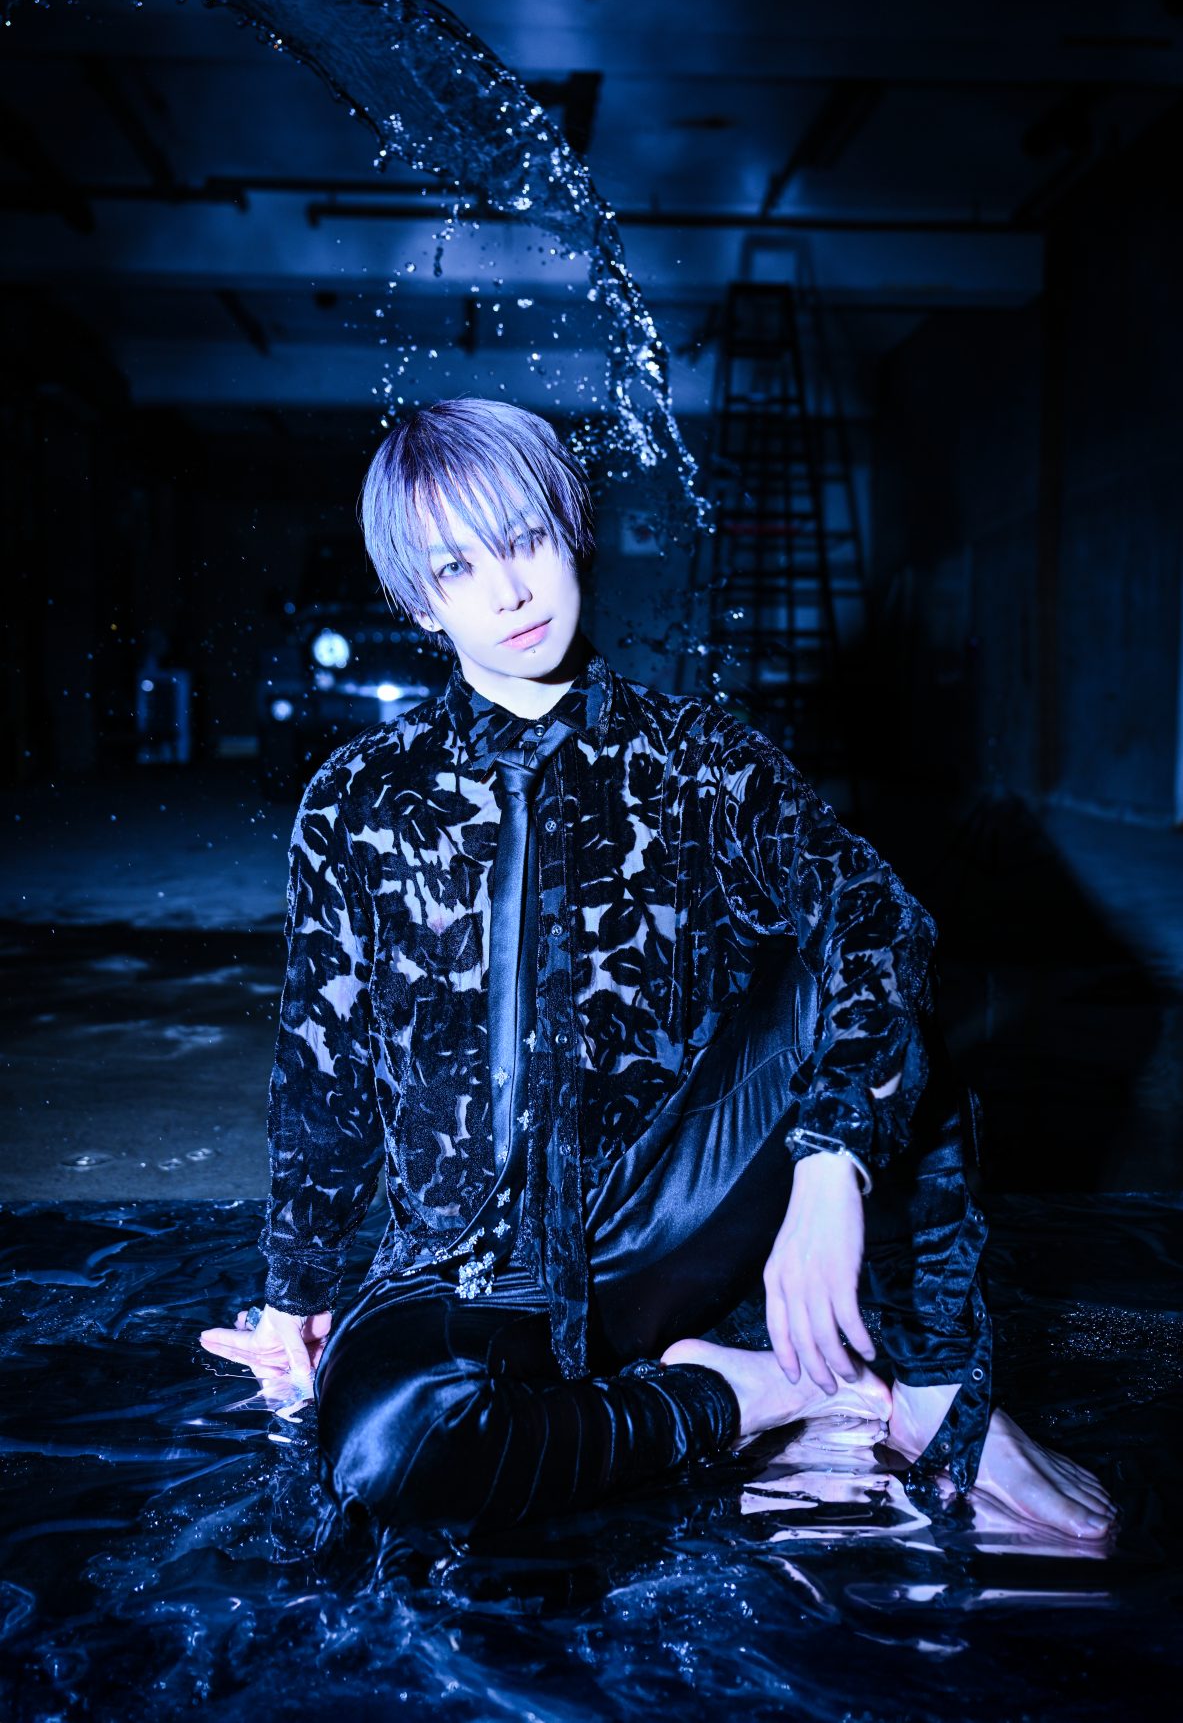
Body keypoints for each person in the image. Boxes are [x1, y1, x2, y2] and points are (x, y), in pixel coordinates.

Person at [199, 398, 1115, 1547]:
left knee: (865, 961)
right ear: (417, 600)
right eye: (457, 566)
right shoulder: (355, 798)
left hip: (665, 1226)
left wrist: (829, 1161)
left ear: (571, 530)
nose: (510, 591)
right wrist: (297, 1296)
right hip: (459, 1267)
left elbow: (877, 920)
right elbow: (321, 1070)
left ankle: (928, 1391)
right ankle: (745, 1391)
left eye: (524, 539)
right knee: (390, 1444)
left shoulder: (698, 757)